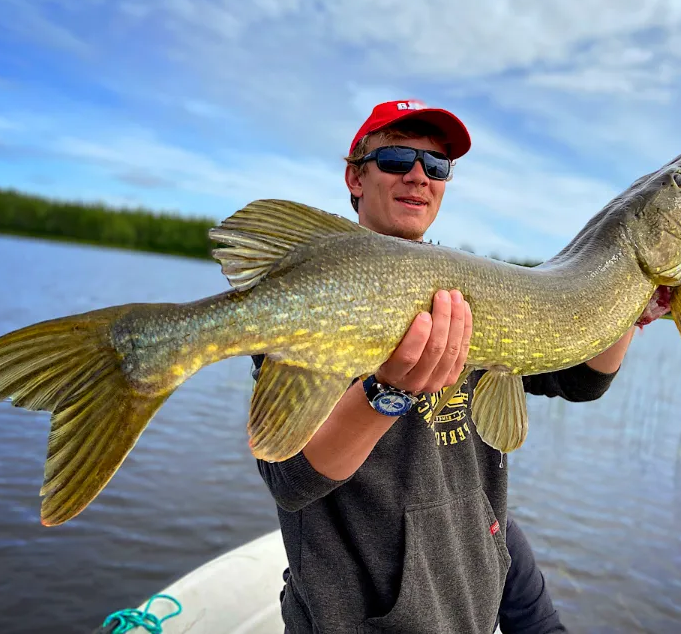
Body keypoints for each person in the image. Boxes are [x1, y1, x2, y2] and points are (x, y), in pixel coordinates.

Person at [252, 99, 638, 633]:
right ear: (355, 177)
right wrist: (385, 394)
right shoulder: (318, 291)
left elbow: (581, 379)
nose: (418, 176)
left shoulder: (469, 294)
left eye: (436, 166)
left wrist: (628, 307)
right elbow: (292, 479)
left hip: (467, 606)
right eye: (396, 159)